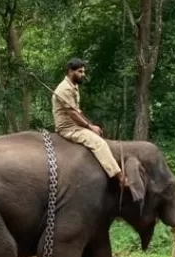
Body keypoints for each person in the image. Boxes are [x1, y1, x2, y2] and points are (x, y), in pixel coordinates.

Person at [52, 58, 126, 187]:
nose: (83, 75)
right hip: (68, 128)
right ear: (70, 71)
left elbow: (77, 111)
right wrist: (89, 127)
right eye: (80, 71)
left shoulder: (73, 86)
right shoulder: (64, 89)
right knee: (99, 143)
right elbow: (73, 114)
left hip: (74, 125)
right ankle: (119, 177)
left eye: (83, 71)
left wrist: (91, 125)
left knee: (98, 133)